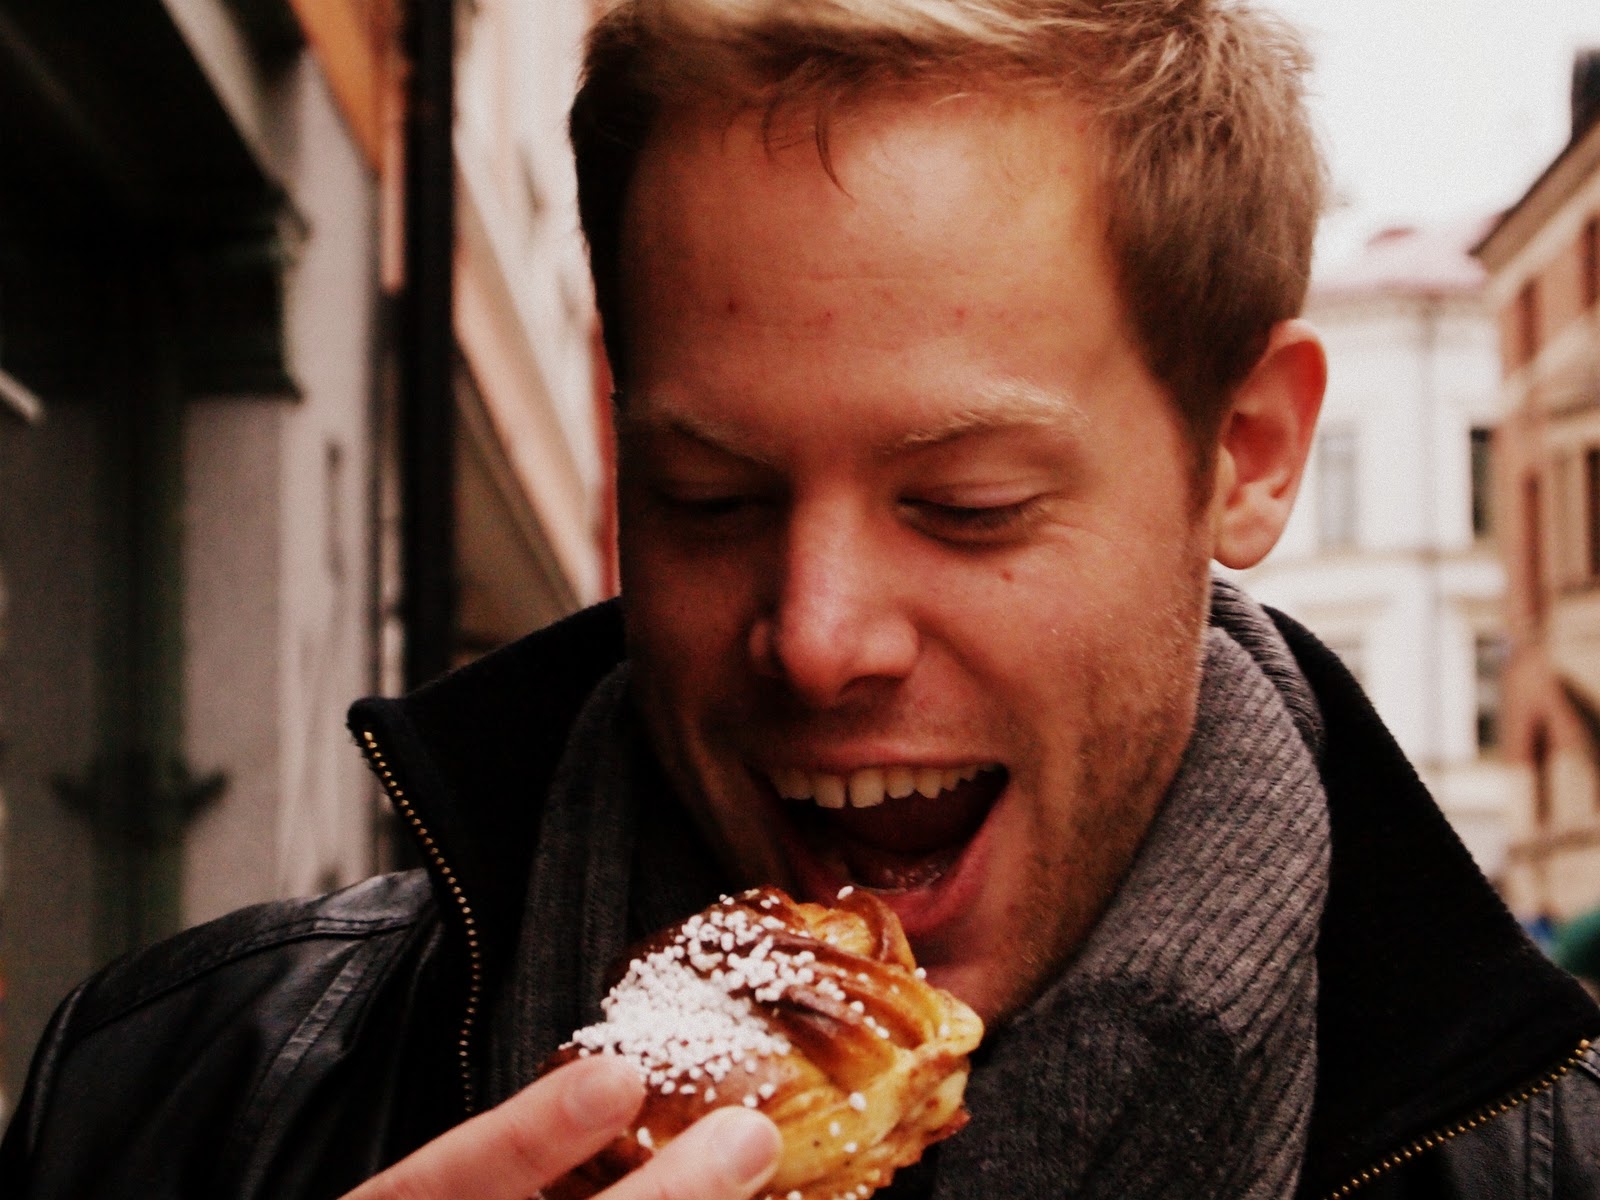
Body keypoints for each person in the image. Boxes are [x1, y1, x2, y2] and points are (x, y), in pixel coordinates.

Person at [4, 1, 1598, 1196]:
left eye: (966, 505)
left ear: (1243, 453)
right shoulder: (172, 1102)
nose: (817, 637)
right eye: (709, 501)